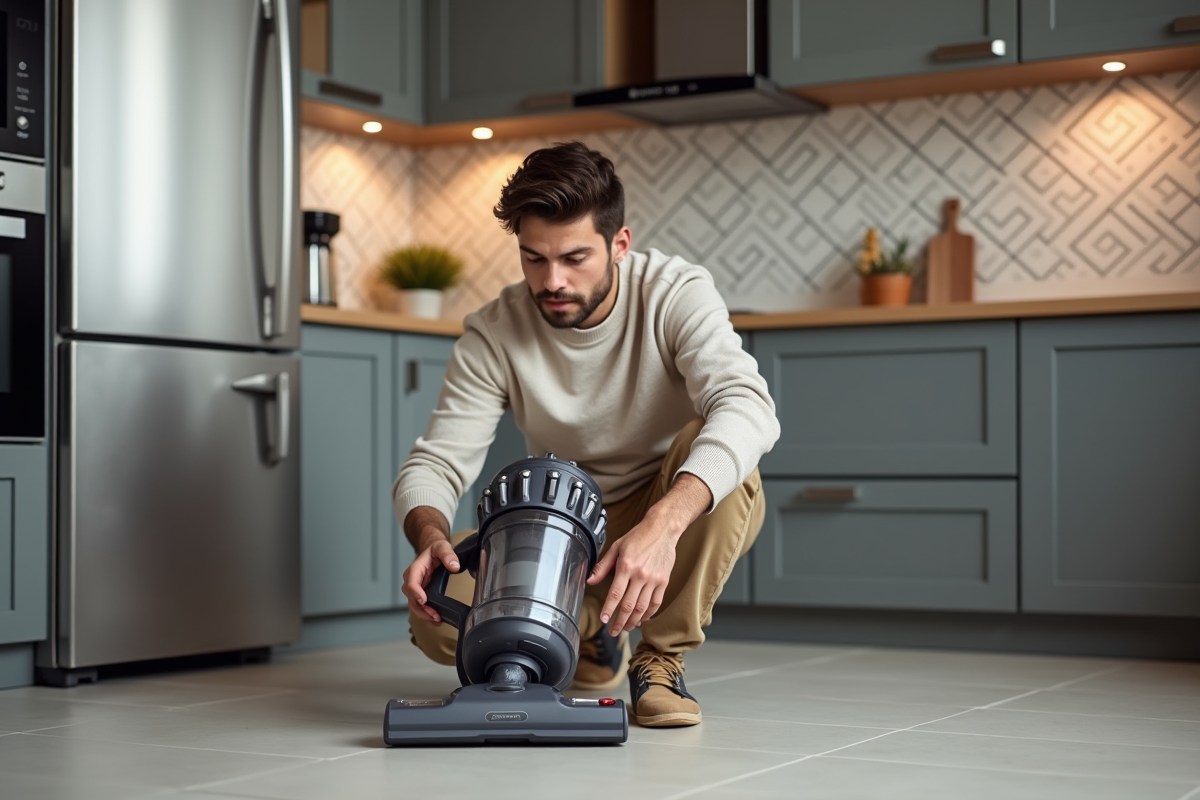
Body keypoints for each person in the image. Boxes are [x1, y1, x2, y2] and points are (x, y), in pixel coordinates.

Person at [395, 141, 779, 728]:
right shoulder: (495, 331)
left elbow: (748, 405)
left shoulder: (674, 293)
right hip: (561, 522)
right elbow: (437, 462)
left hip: (666, 510)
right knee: (437, 619)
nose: (552, 281)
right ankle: (592, 643)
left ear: (619, 244)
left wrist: (662, 524)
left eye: (575, 258)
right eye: (533, 259)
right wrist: (430, 536)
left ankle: (660, 660)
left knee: (719, 447)